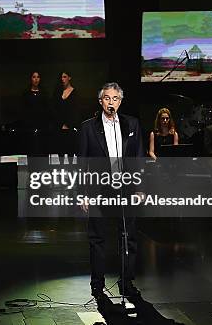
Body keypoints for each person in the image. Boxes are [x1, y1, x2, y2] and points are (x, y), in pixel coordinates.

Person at [78, 82, 144, 302]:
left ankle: (126, 281)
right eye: (107, 98)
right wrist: (83, 193)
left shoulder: (131, 124)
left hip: (125, 188)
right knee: (97, 239)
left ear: (120, 101)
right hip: (98, 189)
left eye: (115, 99)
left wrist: (140, 187)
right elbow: (82, 164)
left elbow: (138, 159)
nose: (111, 102)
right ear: (100, 101)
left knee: (128, 236)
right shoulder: (88, 127)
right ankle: (97, 285)